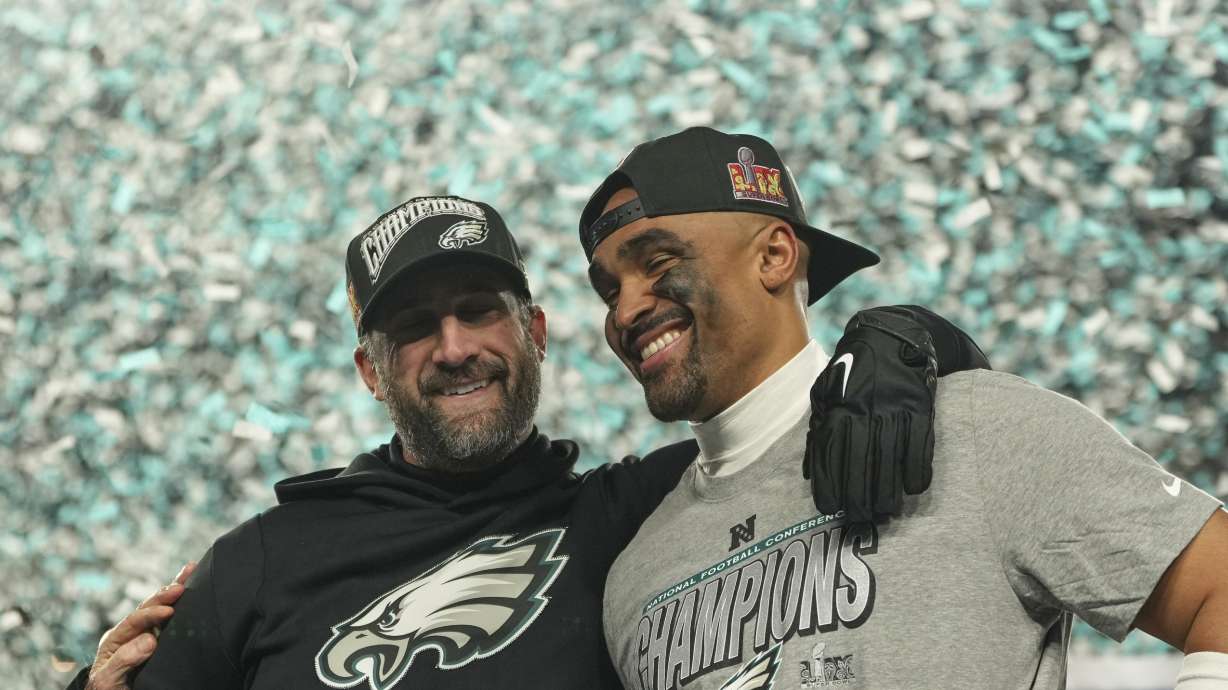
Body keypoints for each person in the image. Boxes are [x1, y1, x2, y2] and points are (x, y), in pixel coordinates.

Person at [67, 195, 985, 690]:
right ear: (368, 370)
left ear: (537, 332)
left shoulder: (639, 514)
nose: (456, 347)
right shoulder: (260, 563)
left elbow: (810, 415)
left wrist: (904, 340)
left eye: (479, 312)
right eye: (416, 329)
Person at [580, 126, 1228, 690]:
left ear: (775, 255)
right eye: (609, 289)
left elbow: (1216, 588)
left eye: (658, 262)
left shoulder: (973, 428)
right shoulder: (634, 577)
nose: (627, 309)